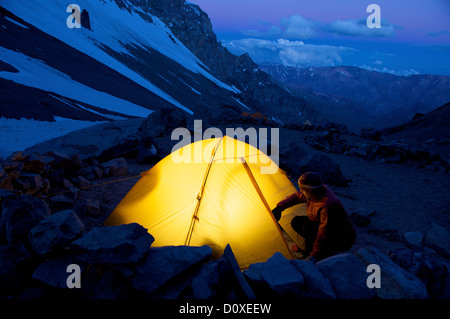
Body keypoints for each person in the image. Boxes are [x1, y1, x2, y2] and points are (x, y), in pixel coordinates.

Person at [272, 172, 356, 263]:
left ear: (311, 191)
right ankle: (315, 248)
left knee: (309, 228)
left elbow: (323, 233)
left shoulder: (326, 205)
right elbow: (298, 196)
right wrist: (280, 207)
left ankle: (319, 252)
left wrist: (313, 255)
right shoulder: (315, 193)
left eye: (304, 190)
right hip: (325, 226)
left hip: (341, 238)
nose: (302, 192)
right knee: (297, 222)